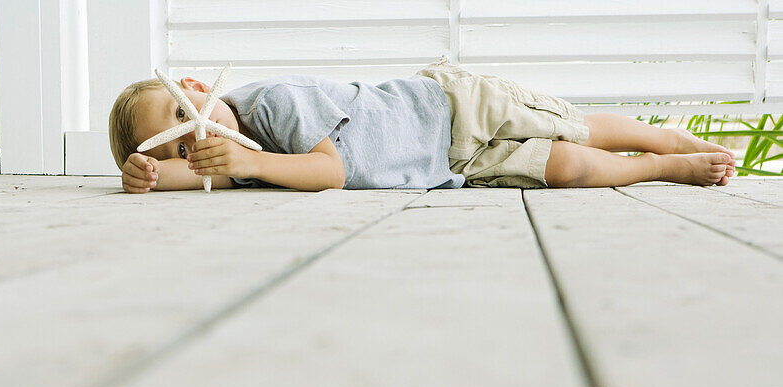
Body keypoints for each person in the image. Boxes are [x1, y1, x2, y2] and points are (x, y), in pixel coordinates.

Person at [108, 57, 736, 194]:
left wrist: (248, 164)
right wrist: (153, 178)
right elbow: (203, 177)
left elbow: (332, 170)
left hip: (448, 107)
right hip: (445, 167)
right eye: (180, 145)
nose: (195, 138)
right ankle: (661, 168)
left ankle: (671, 138)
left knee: (574, 130)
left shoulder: (271, 105)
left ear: (193, 88)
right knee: (565, 168)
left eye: (180, 116)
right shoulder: (231, 158)